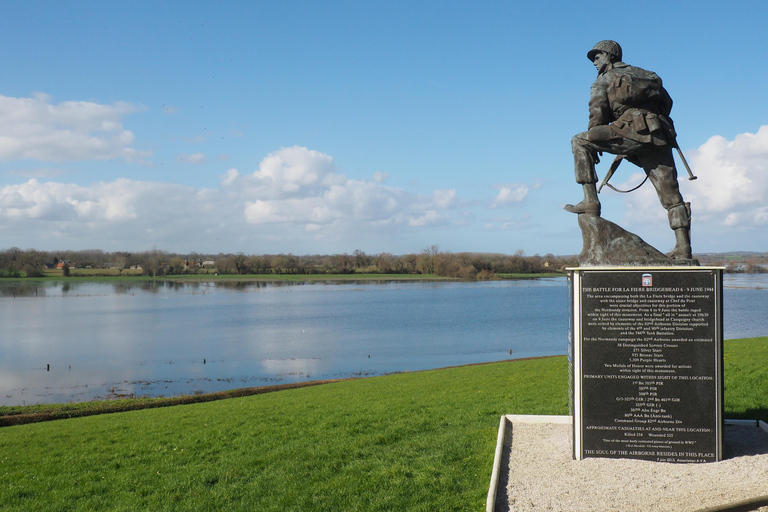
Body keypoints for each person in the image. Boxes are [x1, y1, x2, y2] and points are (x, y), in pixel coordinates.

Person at [565, 40, 692, 260]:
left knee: (579, 141)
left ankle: (590, 202)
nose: (594, 63)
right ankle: (684, 248)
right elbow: (667, 103)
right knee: (671, 194)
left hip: (628, 129)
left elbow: (597, 117)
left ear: (609, 55)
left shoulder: (603, 81)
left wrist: (595, 144)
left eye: (597, 57)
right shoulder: (649, 75)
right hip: (657, 134)